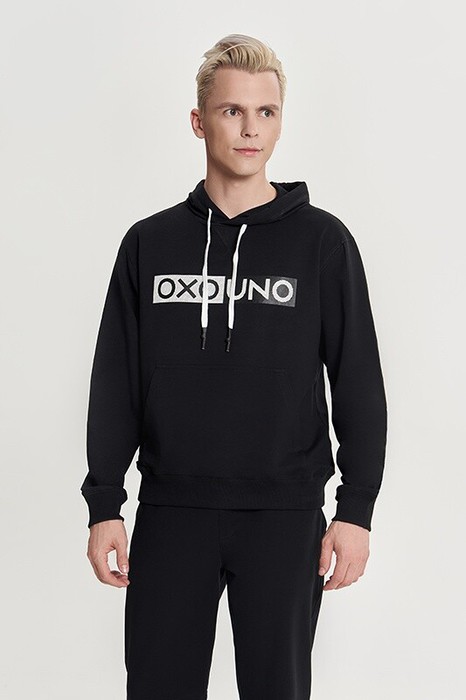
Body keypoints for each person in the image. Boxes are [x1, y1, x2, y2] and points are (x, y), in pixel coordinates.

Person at [81, 33, 388, 700]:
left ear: (280, 121)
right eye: (232, 111)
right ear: (199, 121)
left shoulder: (323, 243)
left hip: (284, 515)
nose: (251, 129)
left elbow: (358, 380)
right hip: (172, 512)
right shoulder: (149, 243)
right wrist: (105, 502)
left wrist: (356, 510)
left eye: (266, 112)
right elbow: (115, 380)